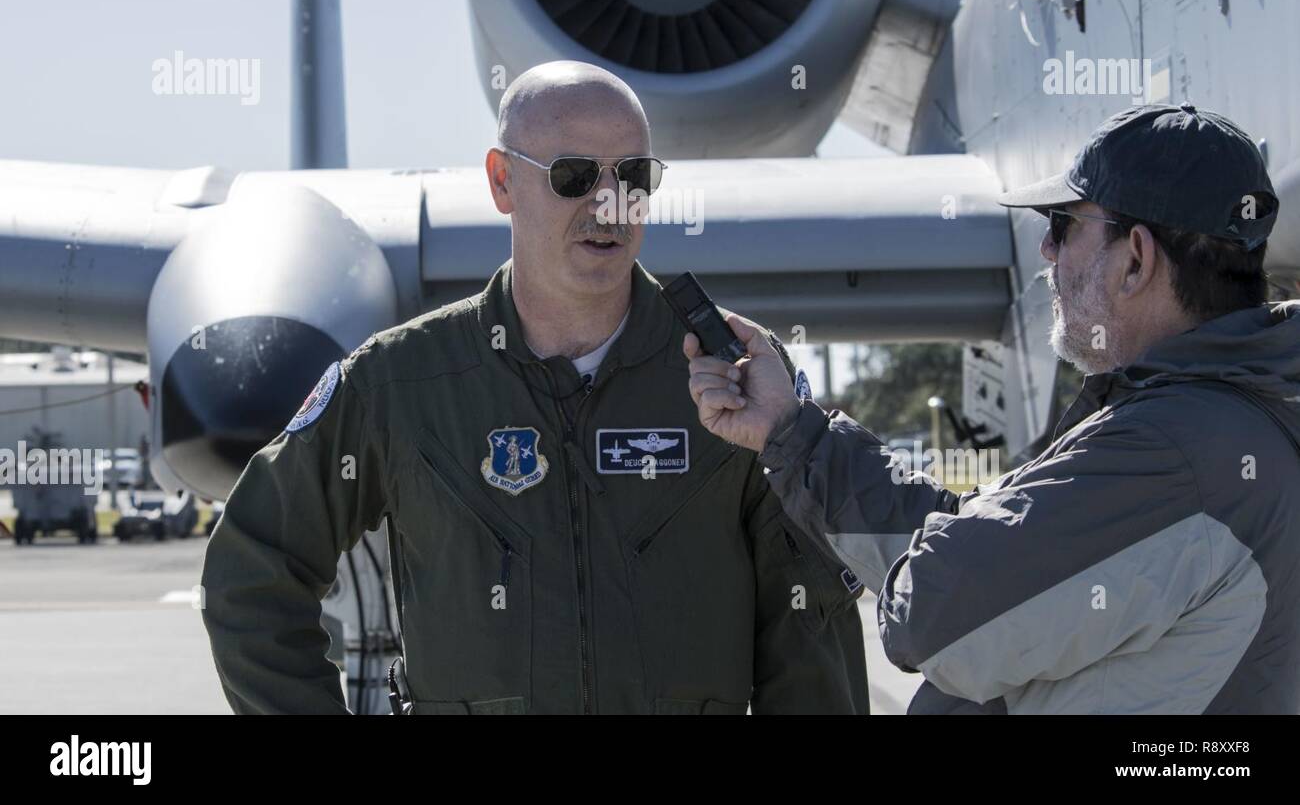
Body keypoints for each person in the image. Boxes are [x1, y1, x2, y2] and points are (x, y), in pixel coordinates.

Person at [201, 59, 868, 715]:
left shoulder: (738, 379)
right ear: (502, 180)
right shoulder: (403, 382)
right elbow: (252, 571)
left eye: (632, 176)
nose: (607, 204)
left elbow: (808, 617)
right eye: (574, 176)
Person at [686, 103, 1300, 713]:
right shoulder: (1225, 421)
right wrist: (796, 433)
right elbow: (987, 547)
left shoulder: (1174, 451)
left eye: (1063, 225)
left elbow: (938, 613)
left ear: (1135, 259)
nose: (1047, 251)